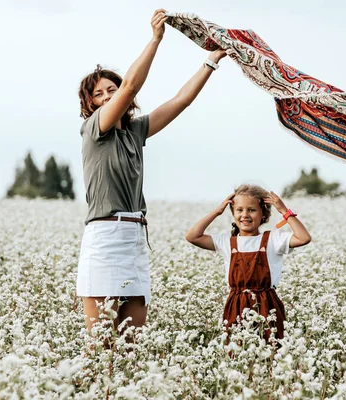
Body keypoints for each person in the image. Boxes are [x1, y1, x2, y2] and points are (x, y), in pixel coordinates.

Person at [76, 9, 227, 335]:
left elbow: (181, 101)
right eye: (98, 94)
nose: (107, 97)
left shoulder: (135, 130)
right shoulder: (94, 129)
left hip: (134, 236)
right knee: (100, 344)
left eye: (110, 90)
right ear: (90, 105)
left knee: (132, 340)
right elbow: (130, 86)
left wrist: (213, 59)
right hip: (104, 239)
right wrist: (156, 39)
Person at [185, 184, 311, 341]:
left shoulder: (272, 239)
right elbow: (192, 236)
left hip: (267, 305)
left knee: (271, 349)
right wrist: (217, 212)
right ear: (233, 213)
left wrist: (284, 211)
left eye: (251, 210)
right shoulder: (226, 241)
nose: (245, 215)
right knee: (237, 350)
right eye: (239, 210)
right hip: (236, 305)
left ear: (263, 215)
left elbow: (304, 238)